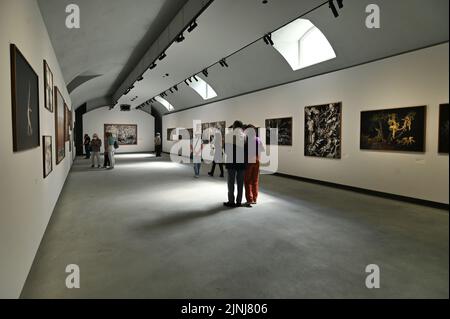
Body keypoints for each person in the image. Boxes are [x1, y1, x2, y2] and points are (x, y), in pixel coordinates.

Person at [224, 120, 247, 208]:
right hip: (241, 162)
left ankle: (231, 201)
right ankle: (239, 202)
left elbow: (226, 150)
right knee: (240, 183)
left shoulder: (229, 135)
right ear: (241, 127)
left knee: (231, 182)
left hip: (231, 162)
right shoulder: (245, 136)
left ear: (234, 126)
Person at [244, 124, 265, 206]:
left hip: (249, 161)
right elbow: (262, 149)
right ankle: (255, 199)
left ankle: (249, 199)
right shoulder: (258, 139)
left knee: (247, 181)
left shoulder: (246, 140)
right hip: (257, 160)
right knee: (255, 180)